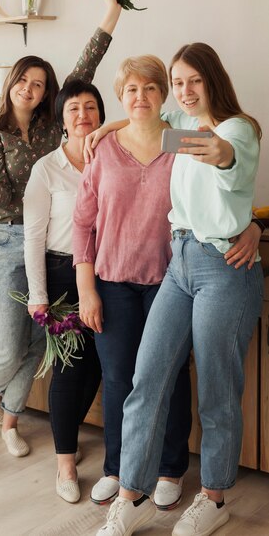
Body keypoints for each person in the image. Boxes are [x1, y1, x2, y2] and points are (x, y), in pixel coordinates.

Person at [94, 43, 264, 536]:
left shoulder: (238, 130)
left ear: (213, 79)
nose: (185, 91)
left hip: (223, 268)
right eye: (179, 81)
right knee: (146, 381)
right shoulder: (180, 125)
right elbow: (141, 113)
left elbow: (232, 160)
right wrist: (104, 128)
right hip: (179, 262)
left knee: (216, 391)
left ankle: (214, 500)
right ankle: (131, 497)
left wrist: (224, 158)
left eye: (195, 80)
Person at [0, 0, 122, 458]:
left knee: (37, 341)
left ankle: (11, 419)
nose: (30, 89)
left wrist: (110, 16)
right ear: (10, 84)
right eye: (23, 81)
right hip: (11, 240)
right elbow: (9, 200)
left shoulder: (55, 124)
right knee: (10, 343)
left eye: (39, 84)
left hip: (56, 244)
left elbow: (84, 74)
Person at [73, 56, 192, 510]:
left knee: (170, 377)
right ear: (120, 96)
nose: (140, 98)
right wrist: (87, 290)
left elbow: (227, 156)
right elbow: (83, 224)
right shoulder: (102, 149)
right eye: (131, 90)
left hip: (173, 283)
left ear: (163, 95)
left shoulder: (182, 141)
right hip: (112, 284)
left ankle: (169, 468)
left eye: (150, 89)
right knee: (120, 378)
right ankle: (118, 469)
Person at [23, 80, 106, 503]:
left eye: (90, 107)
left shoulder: (112, 158)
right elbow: (33, 237)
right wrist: (38, 295)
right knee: (70, 367)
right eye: (73, 108)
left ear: (101, 116)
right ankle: (66, 462)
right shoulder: (47, 168)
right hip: (59, 273)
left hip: (106, 273)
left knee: (99, 366)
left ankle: (68, 431)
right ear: (62, 118)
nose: (82, 115)